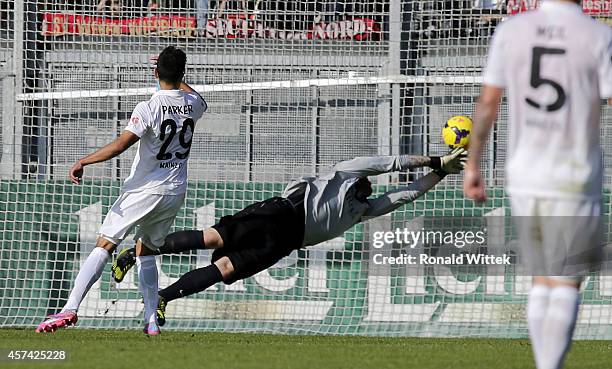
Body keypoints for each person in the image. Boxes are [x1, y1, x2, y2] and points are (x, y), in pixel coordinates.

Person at [111, 148, 467, 325]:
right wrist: (436, 160)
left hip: (284, 244)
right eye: (364, 186)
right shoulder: (344, 173)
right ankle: (135, 251)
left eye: (366, 190)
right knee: (212, 238)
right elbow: (391, 163)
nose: (366, 188)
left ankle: (163, 298)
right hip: (279, 212)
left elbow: (406, 194)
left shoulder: (361, 210)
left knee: (226, 269)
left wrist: (443, 174)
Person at [463, 1, 612, 368]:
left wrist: (473, 162)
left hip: (525, 173)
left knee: (542, 277)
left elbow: (488, 103)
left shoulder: (511, 31)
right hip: (574, 174)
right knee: (565, 280)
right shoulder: (599, 35)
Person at [35, 46, 207, 335]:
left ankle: (70, 308)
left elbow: (120, 145)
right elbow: (197, 96)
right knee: (147, 251)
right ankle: (151, 321)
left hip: (144, 191)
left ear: (155, 73)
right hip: (175, 191)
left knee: (105, 244)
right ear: (182, 74)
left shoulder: (148, 107)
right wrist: (174, 74)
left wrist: (83, 161)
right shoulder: (192, 103)